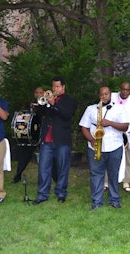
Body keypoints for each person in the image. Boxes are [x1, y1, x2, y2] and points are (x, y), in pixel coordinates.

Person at [79, 86, 130, 210]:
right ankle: (96, 202)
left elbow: (125, 126)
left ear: (110, 95)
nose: (104, 96)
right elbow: (84, 127)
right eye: (102, 94)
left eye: (106, 94)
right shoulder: (90, 109)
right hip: (95, 147)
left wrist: (110, 123)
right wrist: (91, 140)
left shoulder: (119, 108)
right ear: (99, 95)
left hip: (114, 146)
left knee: (114, 174)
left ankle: (114, 200)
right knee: (96, 174)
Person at [32, 76, 78, 205]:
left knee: (62, 168)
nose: (55, 89)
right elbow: (40, 113)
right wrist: (44, 103)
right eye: (53, 86)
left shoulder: (70, 101)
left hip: (62, 140)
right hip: (47, 139)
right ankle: (42, 195)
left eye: (57, 86)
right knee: (43, 168)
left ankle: (61, 193)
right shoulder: (48, 99)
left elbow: (67, 115)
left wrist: (54, 104)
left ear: (63, 87)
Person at [104, 81, 130, 192]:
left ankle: (126, 181)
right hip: (111, 131)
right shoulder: (110, 96)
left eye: (127, 90)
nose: (124, 92)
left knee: (127, 157)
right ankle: (106, 182)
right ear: (120, 89)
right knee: (109, 157)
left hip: (128, 133)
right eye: (123, 89)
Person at [11, 87, 46, 184]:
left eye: (41, 92)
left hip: (43, 135)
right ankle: (17, 176)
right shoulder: (31, 106)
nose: (39, 94)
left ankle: (55, 178)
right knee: (24, 156)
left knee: (48, 157)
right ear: (34, 94)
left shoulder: (47, 104)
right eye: (36, 92)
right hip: (32, 135)